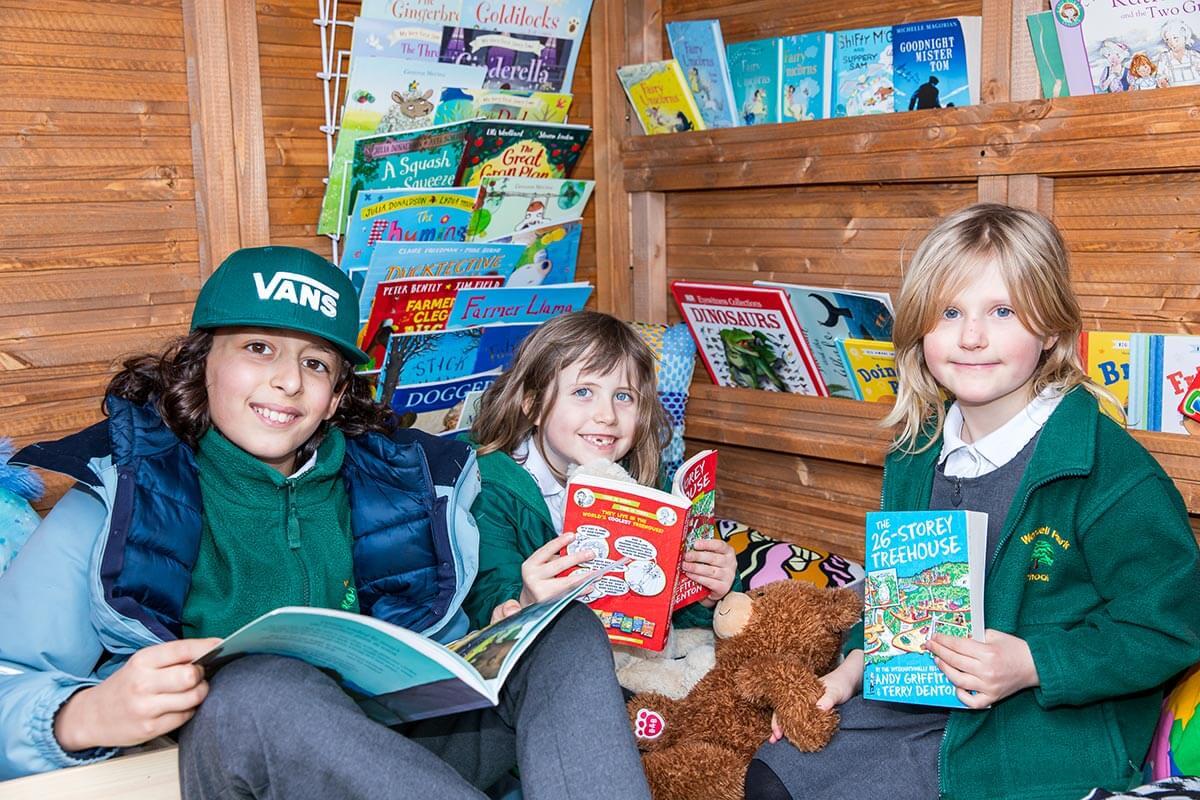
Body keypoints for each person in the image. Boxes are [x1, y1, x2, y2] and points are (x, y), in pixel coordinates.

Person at [0, 247, 651, 800]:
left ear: (337, 394)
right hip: (249, 754)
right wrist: (83, 716)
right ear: (203, 365)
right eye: (259, 348)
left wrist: (505, 630)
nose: (288, 381)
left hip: (401, 755)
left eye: (315, 364)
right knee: (259, 687)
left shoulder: (410, 484)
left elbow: (443, 660)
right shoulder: (116, 493)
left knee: (562, 626)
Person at [745, 204, 1200, 800]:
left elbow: (1172, 627)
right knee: (771, 778)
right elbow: (897, 597)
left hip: (1045, 723)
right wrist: (853, 668)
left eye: (1003, 312)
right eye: (950, 312)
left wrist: (1034, 663)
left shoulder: (1109, 471)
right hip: (915, 699)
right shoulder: (915, 453)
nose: (971, 337)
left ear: (1053, 330)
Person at [462, 311, 738, 634]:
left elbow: (666, 607)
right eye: (583, 392)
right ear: (533, 406)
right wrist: (523, 602)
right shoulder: (491, 488)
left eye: (623, 396)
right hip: (541, 656)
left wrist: (708, 591)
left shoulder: (644, 480)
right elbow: (482, 603)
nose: (607, 415)